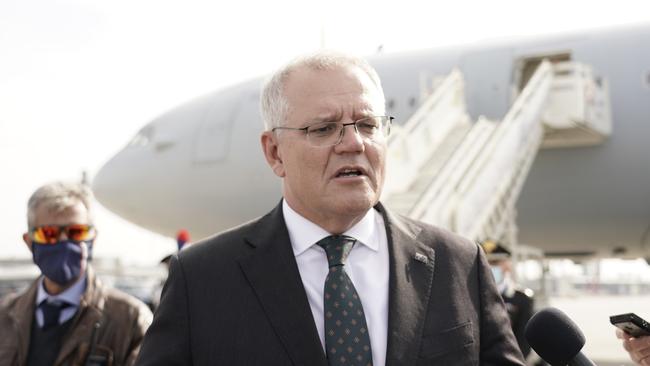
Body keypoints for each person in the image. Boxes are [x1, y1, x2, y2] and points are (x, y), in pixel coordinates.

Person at [135, 51, 525, 365]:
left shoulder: (458, 264)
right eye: (323, 129)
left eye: (368, 125)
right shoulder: (203, 278)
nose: (353, 143)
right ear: (274, 152)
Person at [0, 181, 153, 366]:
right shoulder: (5, 317)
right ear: (29, 241)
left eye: (76, 232)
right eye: (49, 233)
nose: (64, 240)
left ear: (93, 238)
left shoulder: (130, 320)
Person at [481, 240, 535, 358]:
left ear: (507, 265)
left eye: (495, 262)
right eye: (485, 262)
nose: (489, 266)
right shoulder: (471, 295)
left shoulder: (522, 298)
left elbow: (524, 342)